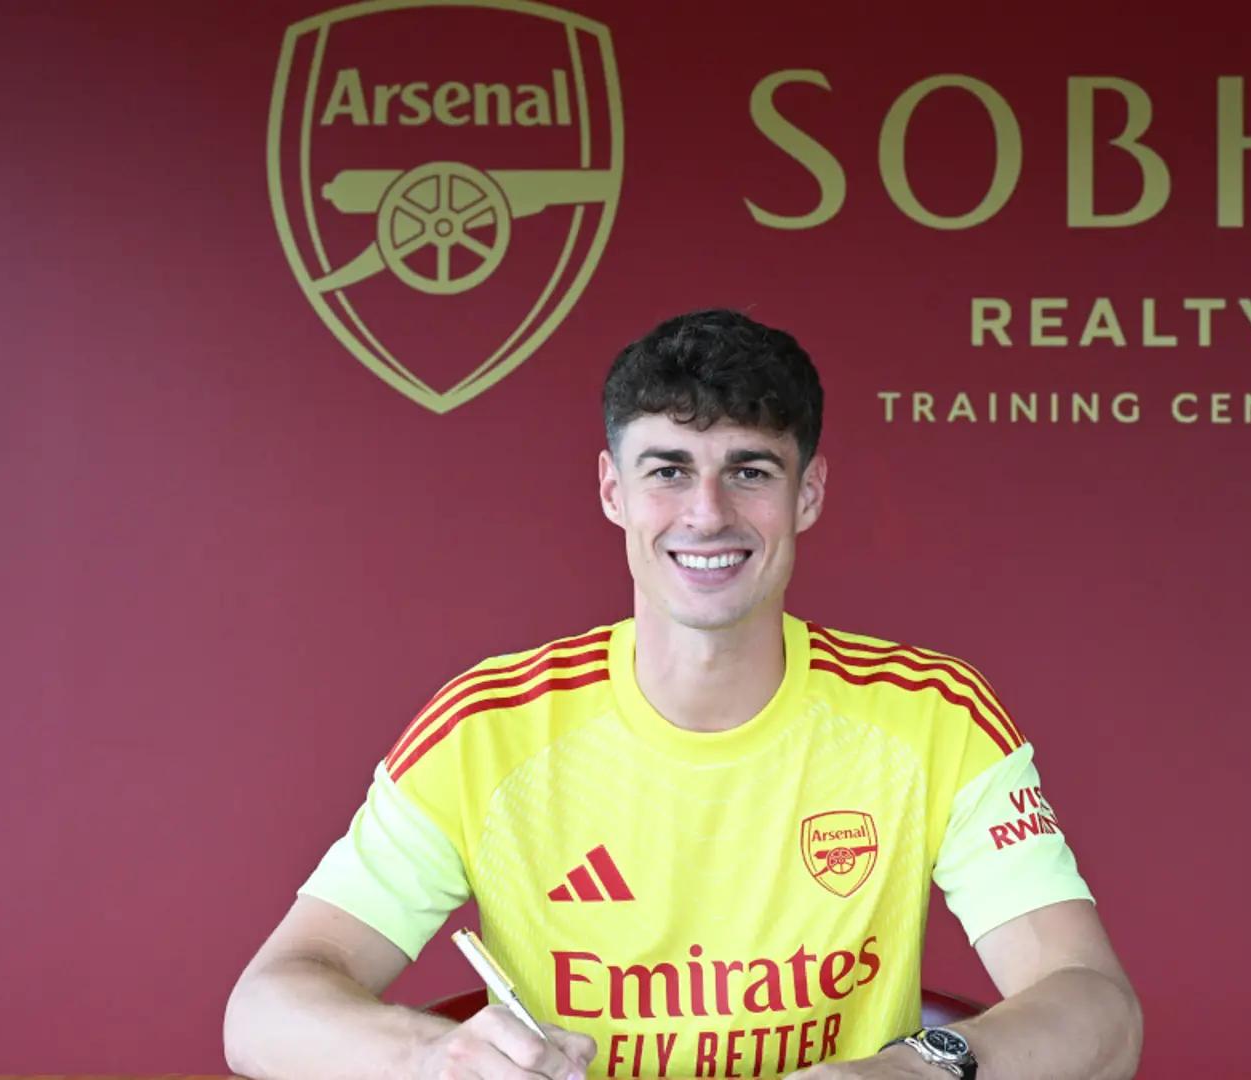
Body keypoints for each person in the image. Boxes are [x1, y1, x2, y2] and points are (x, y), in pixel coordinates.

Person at [224, 310, 1142, 1080]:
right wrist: (431, 1057)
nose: (707, 513)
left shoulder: (933, 714)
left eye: (750, 471)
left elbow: (1096, 1007)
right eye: (668, 470)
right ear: (612, 490)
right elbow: (264, 1010)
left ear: (808, 494)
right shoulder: (488, 729)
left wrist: (920, 1067)